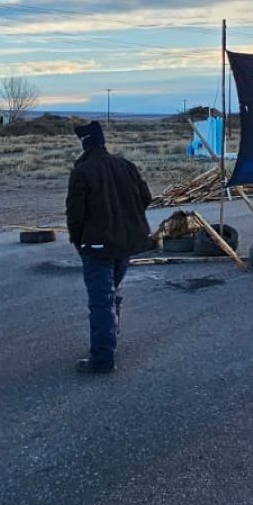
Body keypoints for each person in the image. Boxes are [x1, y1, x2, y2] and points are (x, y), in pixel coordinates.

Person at [64, 120, 153, 374]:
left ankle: (102, 358)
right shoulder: (126, 165)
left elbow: (75, 214)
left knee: (101, 301)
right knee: (113, 294)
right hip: (125, 243)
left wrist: (78, 240)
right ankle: (110, 339)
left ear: (84, 143)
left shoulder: (82, 172)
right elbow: (146, 198)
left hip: (97, 246)